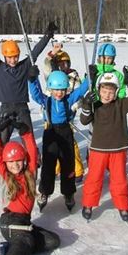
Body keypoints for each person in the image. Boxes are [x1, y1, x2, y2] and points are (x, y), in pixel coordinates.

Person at [0, 116, 60, 255]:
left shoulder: (30, 174)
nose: (15, 165)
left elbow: (33, 152)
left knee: (52, 241)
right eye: (11, 162)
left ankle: (10, 248)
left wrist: (25, 132)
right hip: (10, 222)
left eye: (19, 160)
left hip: (25, 222)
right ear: (6, 163)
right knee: (26, 239)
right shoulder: (4, 176)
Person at [0, 18, 56, 172]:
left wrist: (48, 35)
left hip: (22, 108)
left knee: (28, 137)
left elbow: (35, 51)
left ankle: (33, 162)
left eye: (15, 56)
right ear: (4, 57)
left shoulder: (24, 66)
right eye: (10, 57)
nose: (13, 59)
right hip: (6, 108)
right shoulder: (0, 67)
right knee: (2, 139)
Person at [80, 68, 128, 222]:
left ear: (116, 92)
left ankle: (122, 205)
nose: (107, 95)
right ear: (99, 90)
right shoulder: (95, 105)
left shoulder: (120, 105)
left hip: (118, 149)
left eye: (111, 91)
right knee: (94, 177)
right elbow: (84, 120)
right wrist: (86, 105)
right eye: (104, 90)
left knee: (119, 179)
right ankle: (88, 204)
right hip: (98, 149)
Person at [29, 69, 89, 211]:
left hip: (65, 132)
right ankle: (44, 191)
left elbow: (80, 91)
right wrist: (32, 80)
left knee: (68, 164)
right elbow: (35, 94)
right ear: (50, 89)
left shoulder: (68, 99)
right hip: (50, 131)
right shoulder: (46, 100)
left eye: (62, 90)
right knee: (48, 164)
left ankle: (68, 193)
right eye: (56, 90)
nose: (59, 93)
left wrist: (89, 79)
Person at [41, 43, 85, 182]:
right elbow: (46, 65)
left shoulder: (73, 76)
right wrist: (52, 54)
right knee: (51, 145)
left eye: (65, 64)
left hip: (67, 115)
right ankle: (54, 168)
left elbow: (79, 95)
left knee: (70, 145)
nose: (63, 67)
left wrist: (73, 108)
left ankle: (77, 170)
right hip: (50, 117)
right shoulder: (52, 75)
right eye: (60, 64)